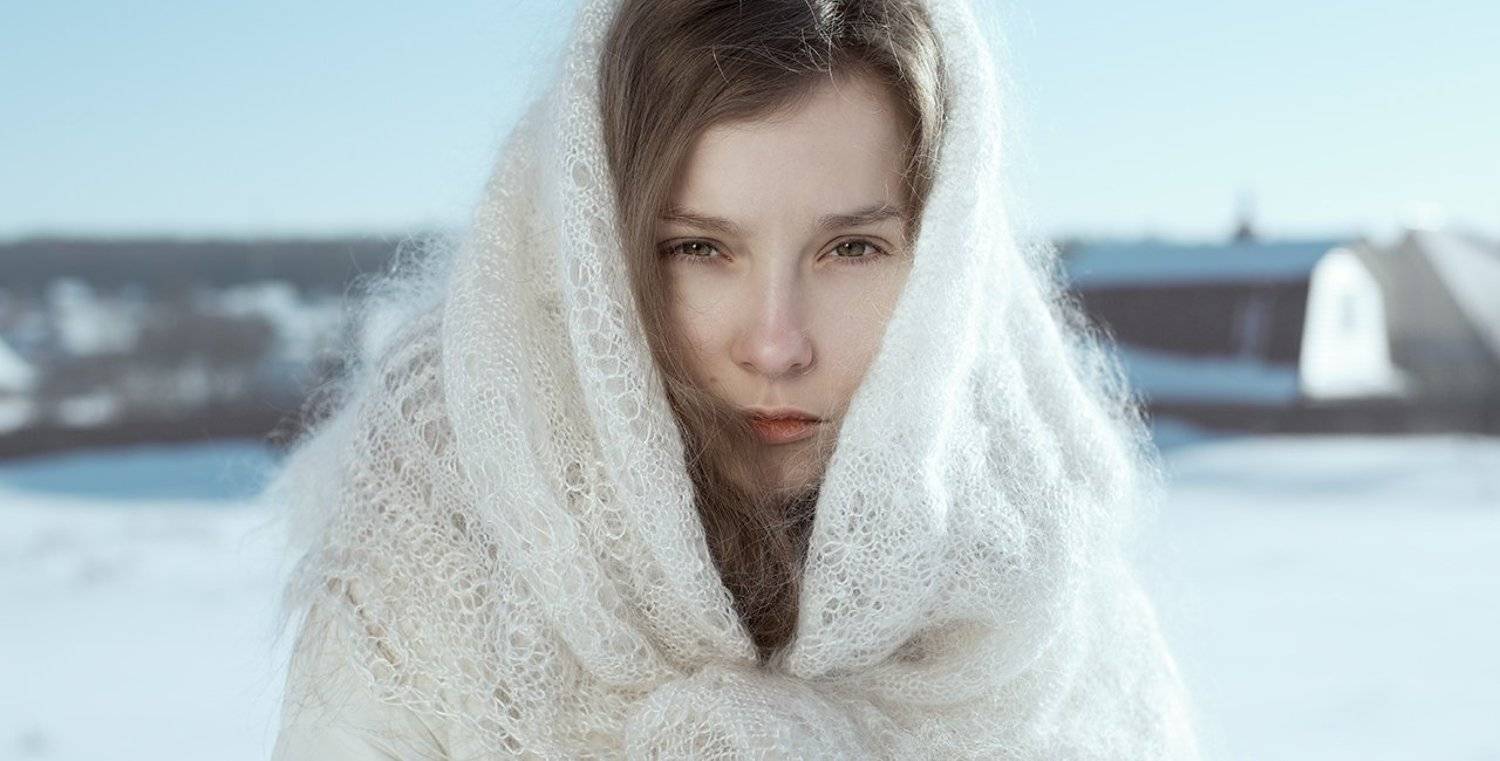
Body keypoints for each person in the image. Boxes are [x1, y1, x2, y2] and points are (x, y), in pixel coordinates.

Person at [268, 0, 1201, 757]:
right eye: (701, 247)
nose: (776, 344)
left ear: (946, 274)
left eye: (851, 248)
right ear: (595, 257)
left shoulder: (1042, 590)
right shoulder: (433, 550)